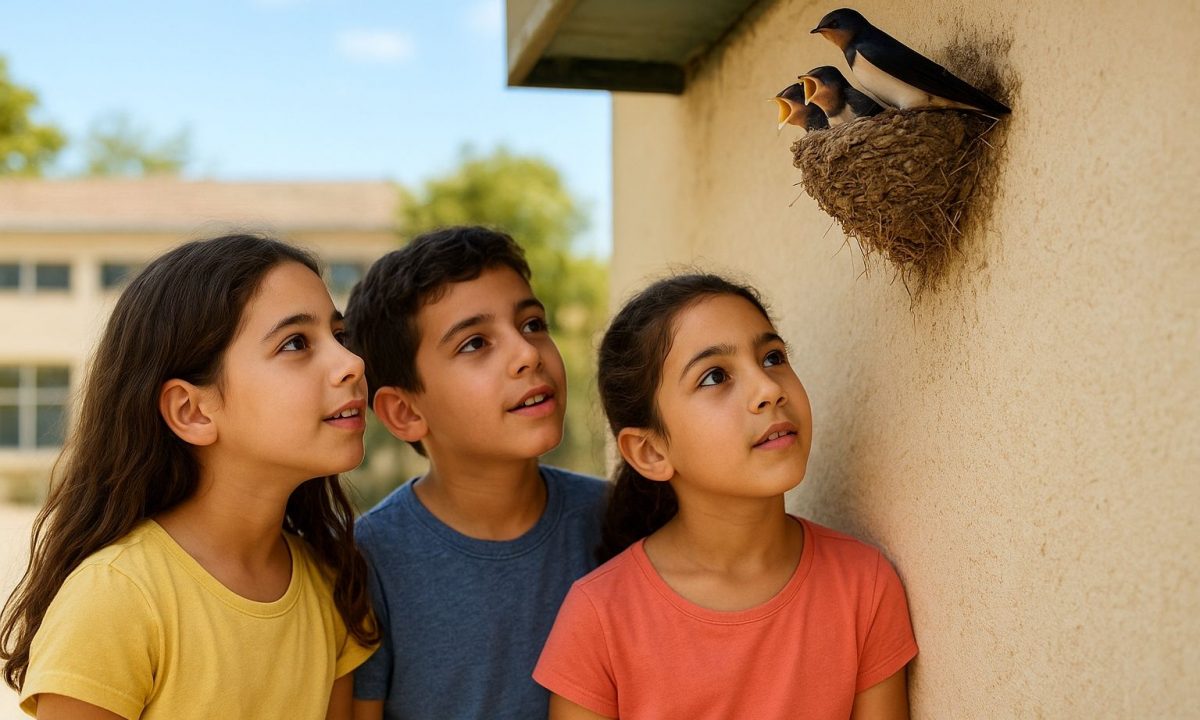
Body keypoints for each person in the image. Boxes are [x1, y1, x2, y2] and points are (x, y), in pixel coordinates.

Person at [0, 234, 378, 720]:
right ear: (192, 411)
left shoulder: (332, 585)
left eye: (339, 336)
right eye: (296, 343)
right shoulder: (115, 598)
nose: (352, 363)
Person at [534, 274, 918, 719]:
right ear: (652, 451)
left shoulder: (863, 586)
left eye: (772, 357)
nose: (769, 389)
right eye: (715, 376)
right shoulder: (599, 617)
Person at [343, 226, 607, 720]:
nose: (528, 353)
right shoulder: (368, 561)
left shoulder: (618, 521)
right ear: (404, 412)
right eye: (475, 343)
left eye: (531, 324)